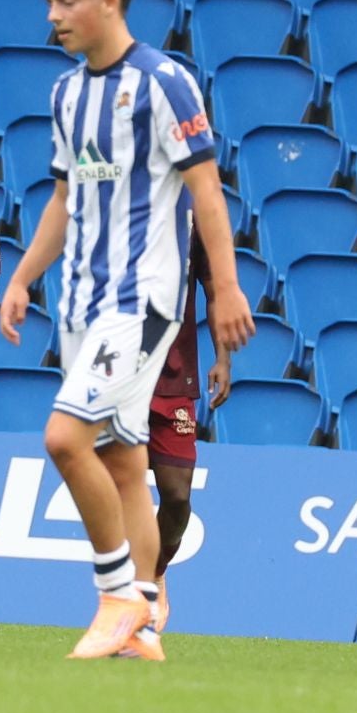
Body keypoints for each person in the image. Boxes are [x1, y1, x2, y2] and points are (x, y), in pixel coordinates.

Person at [0, 0, 254, 662]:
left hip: (143, 303)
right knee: (123, 469)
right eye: (50, 1)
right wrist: (22, 278)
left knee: (62, 438)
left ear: (109, 1)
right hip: (80, 303)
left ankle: (117, 594)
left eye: (66, 0)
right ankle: (142, 623)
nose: (54, 15)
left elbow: (206, 190)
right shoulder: (67, 92)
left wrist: (227, 287)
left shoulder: (165, 83)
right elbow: (62, 197)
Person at [147, 229, 230, 632]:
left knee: (177, 498)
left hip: (175, 379)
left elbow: (215, 293)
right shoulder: (116, 208)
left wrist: (223, 358)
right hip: (120, 377)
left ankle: (155, 572)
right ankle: (124, 593)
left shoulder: (195, 219)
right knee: (115, 490)